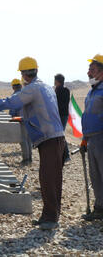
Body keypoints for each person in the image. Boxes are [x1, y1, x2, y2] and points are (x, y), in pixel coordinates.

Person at [0, 57, 65, 230]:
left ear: (24, 74)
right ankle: (50, 216)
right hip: (56, 137)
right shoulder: (45, 86)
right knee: (53, 178)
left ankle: (50, 219)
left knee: (48, 179)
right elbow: (40, 110)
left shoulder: (32, 88)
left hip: (49, 138)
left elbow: (12, 102)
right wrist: (22, 118)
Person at [80, 54, 103, 221]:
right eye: (89, 69)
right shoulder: (92, 92)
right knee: (95, 175)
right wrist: (84, 139)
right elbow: (88, 116)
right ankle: (99, 208)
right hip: (91, 139)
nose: (89, 72)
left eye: (92, 69)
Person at [9, 78, 32, 165]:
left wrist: (11, 119)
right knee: (28, 139)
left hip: (21, 120)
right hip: (29, 118)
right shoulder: (25, 94)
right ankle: (29, 159)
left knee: (23, 140)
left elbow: (13, 110)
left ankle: (26, 160)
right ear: (20, 86)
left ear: (13, 87)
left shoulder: (15, 96)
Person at [54, 74, 70, 163]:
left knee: (60, 134)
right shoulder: (57, 90)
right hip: (59, 115)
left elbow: (62, 104)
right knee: (58, 134)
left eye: (55, 80)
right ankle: (62, 155)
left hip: (62, 115)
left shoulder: (64, 90)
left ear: (58, 81)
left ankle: (66, 155)